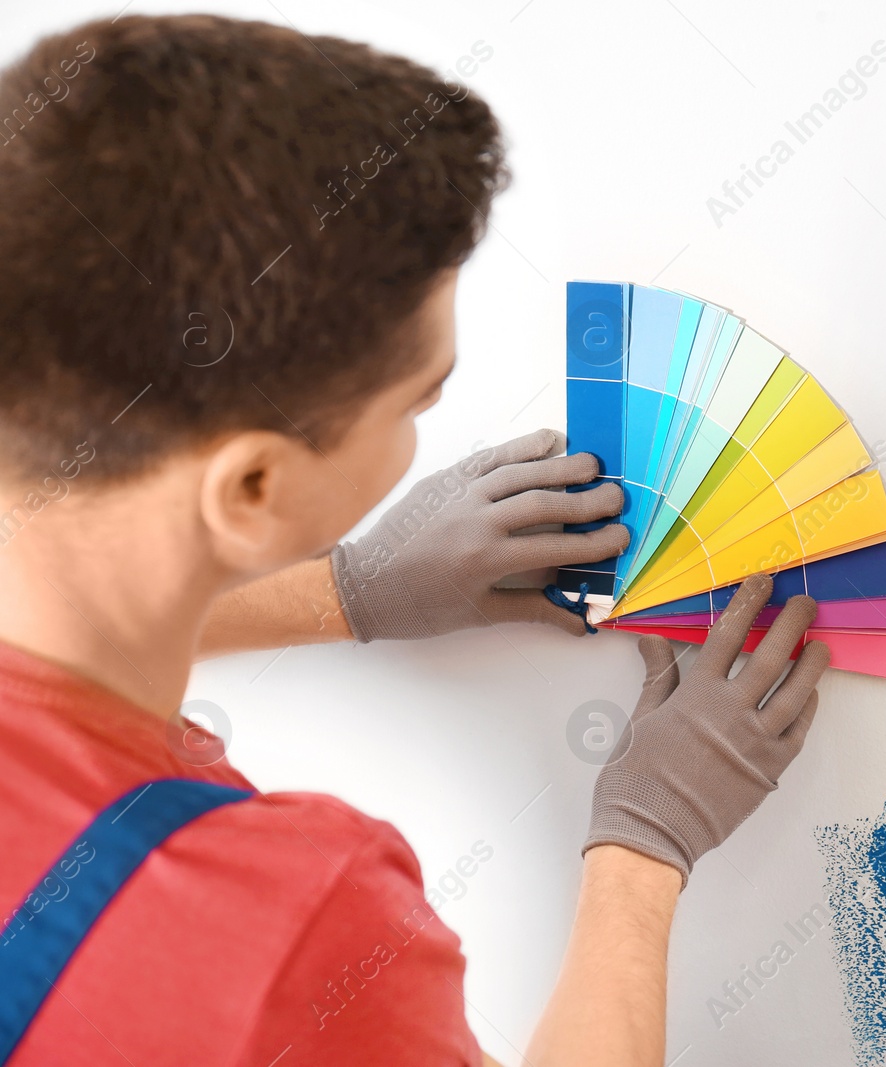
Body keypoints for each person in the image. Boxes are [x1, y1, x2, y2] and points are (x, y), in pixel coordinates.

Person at [0, 14, 828, 1066]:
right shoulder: (288, 932)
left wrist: (348, 590)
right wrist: (643, 846)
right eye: (417, 399)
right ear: (254, 482)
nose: (426, 427)